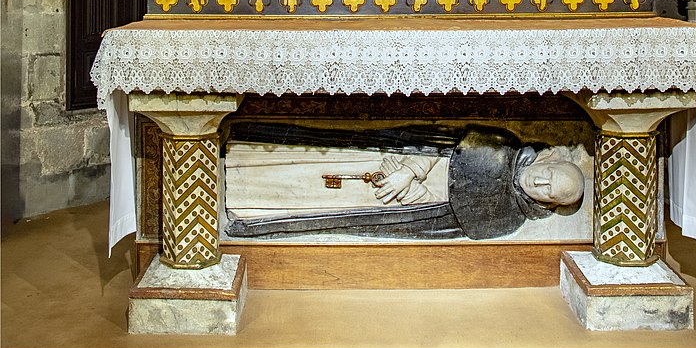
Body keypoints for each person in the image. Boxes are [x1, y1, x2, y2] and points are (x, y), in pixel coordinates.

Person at [225, 124, 585, 241]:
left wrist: (410, 189)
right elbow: (442, 145)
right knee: (311, 159)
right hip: (390, 158)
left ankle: (247, 203)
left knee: (310, 196)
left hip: (389, 198)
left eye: (549, 191)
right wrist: (410, 169)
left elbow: (437, 219)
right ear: (549, 158)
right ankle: (242, 160)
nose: (540, 181)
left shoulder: (507, 218)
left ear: (548, 205)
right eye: (549, 175)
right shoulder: (502, 145)